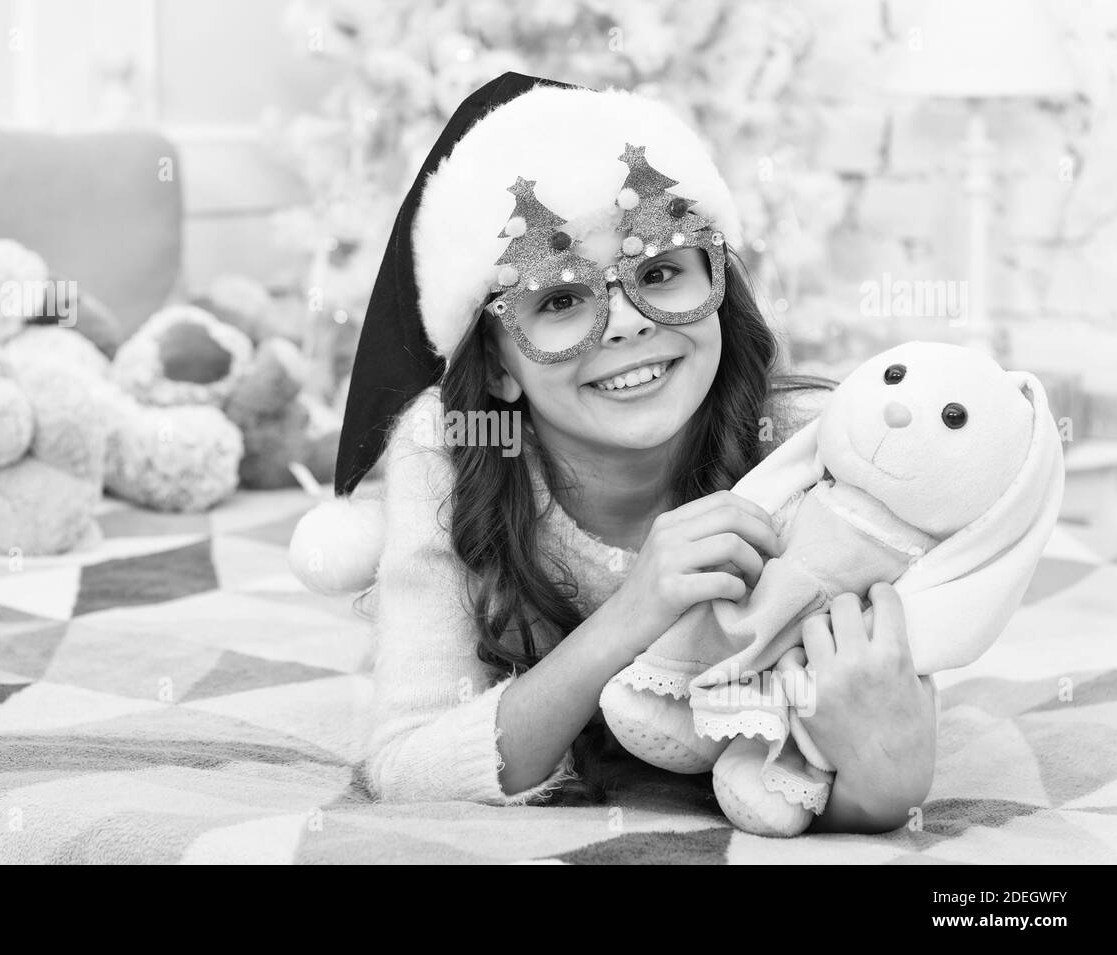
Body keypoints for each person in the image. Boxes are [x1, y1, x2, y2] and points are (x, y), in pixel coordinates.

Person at [333, 73, 936, 833]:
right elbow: (408, 764)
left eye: (660, 271)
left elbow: (846, 756)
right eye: (557, 300)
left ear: (717, 284)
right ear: (493, 368)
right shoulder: (452, 452)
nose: (624, 324)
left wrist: (886, 782)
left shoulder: (815, 452)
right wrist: (634, 609)